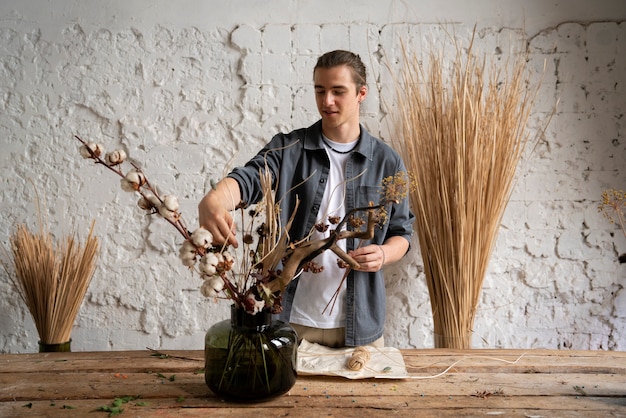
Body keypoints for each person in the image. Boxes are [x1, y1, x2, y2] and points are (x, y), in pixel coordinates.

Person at [198, 50, 414, 348]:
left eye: (338, 91)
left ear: (361, 93)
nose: (327, 101)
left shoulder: (387, 162)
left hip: (359, 326)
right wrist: (214, 199)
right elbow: (250, 178)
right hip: (289, 321)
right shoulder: (289, 148)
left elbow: (402, 232)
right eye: (320, 90)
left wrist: (384, 255)